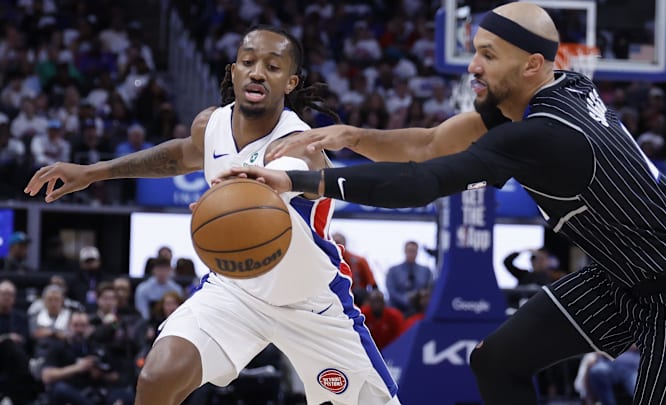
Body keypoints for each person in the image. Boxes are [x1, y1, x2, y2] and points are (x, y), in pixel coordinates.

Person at [223, 4, 666, 404]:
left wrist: (300, 180)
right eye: (475, 50)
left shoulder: (543, 134)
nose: (474, 66)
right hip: (618, 277)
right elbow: (428, 145)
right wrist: (352, 135)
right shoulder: (554, 91)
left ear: (531, 64)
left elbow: (422, 180)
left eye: (489, 54)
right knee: (495, 362)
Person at [25, 26, 399, 405]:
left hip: (311, 301)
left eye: (272, 66)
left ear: (290, 83)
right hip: (234, 290)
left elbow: (287, 171)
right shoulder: (212, 125)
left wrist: (245, 191)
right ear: (233, 71)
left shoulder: (301, 146)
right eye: (249, 62)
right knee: (158, 376)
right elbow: (178, 155)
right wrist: (94, 172)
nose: (257, 72)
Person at [385, 240, 433, 315]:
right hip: (397, 308)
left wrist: (417, 301)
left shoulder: (426, 271)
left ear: (417, 252)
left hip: (419, 310)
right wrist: (405, 300)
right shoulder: (393, 271)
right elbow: (391, 291)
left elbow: (429, 289)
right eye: (409, 251)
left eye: (414, 251)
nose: (411, 254)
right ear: (405, 251)